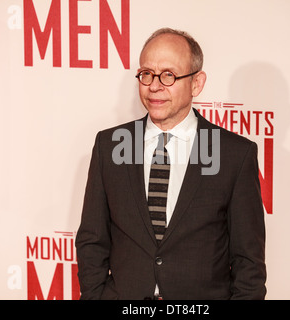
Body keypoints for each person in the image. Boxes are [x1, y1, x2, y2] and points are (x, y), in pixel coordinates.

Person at [75, 28, 266, 300]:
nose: (154, 85)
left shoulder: (234, 155)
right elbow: (92, 241)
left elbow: (249, 263)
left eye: (169, 75)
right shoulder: (111, 145)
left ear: (197, 83)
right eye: (146, 74)